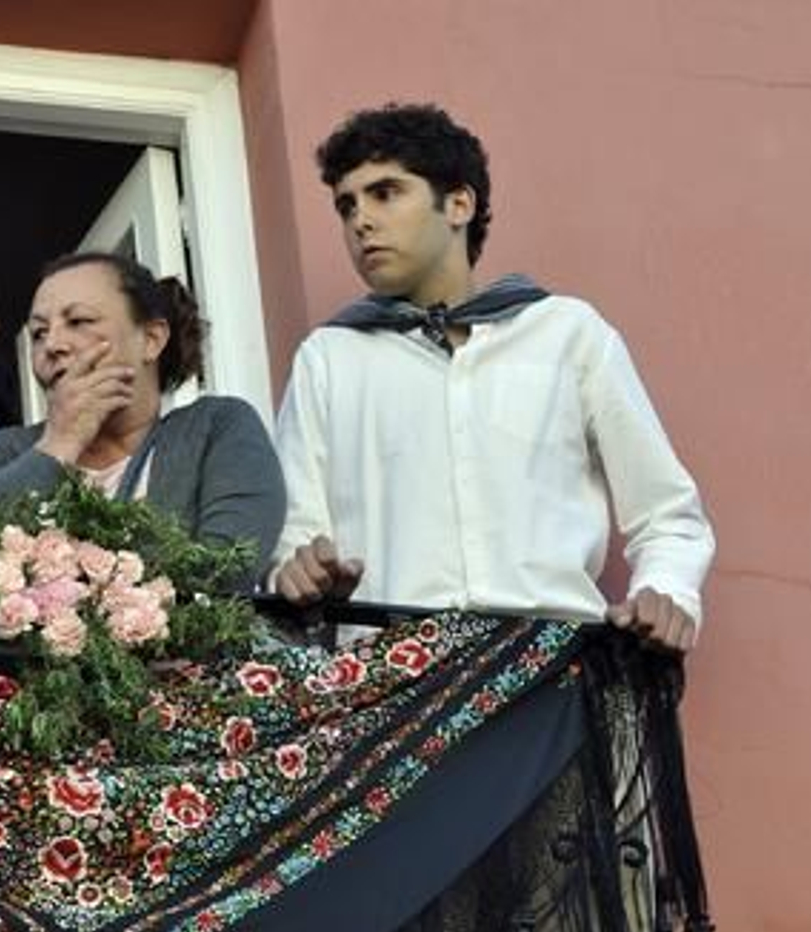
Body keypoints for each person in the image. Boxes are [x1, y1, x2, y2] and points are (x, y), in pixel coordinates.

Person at [270, 103, 714, 652]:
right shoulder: (329, 360)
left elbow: (669, 514)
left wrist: (665, 593)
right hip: (389, 686)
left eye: (385, 193)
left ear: (459, 203)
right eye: (346, 205)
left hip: (554, 676)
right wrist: (301, 576)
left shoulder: (566, 334)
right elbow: (292, 542)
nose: (360, 220)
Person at [0, 252, 284, 589]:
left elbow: (224, 570)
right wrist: (60, 442)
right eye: (38, 333)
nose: (53, 345)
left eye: (78, 321)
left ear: (151, 340)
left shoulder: (217, 428)